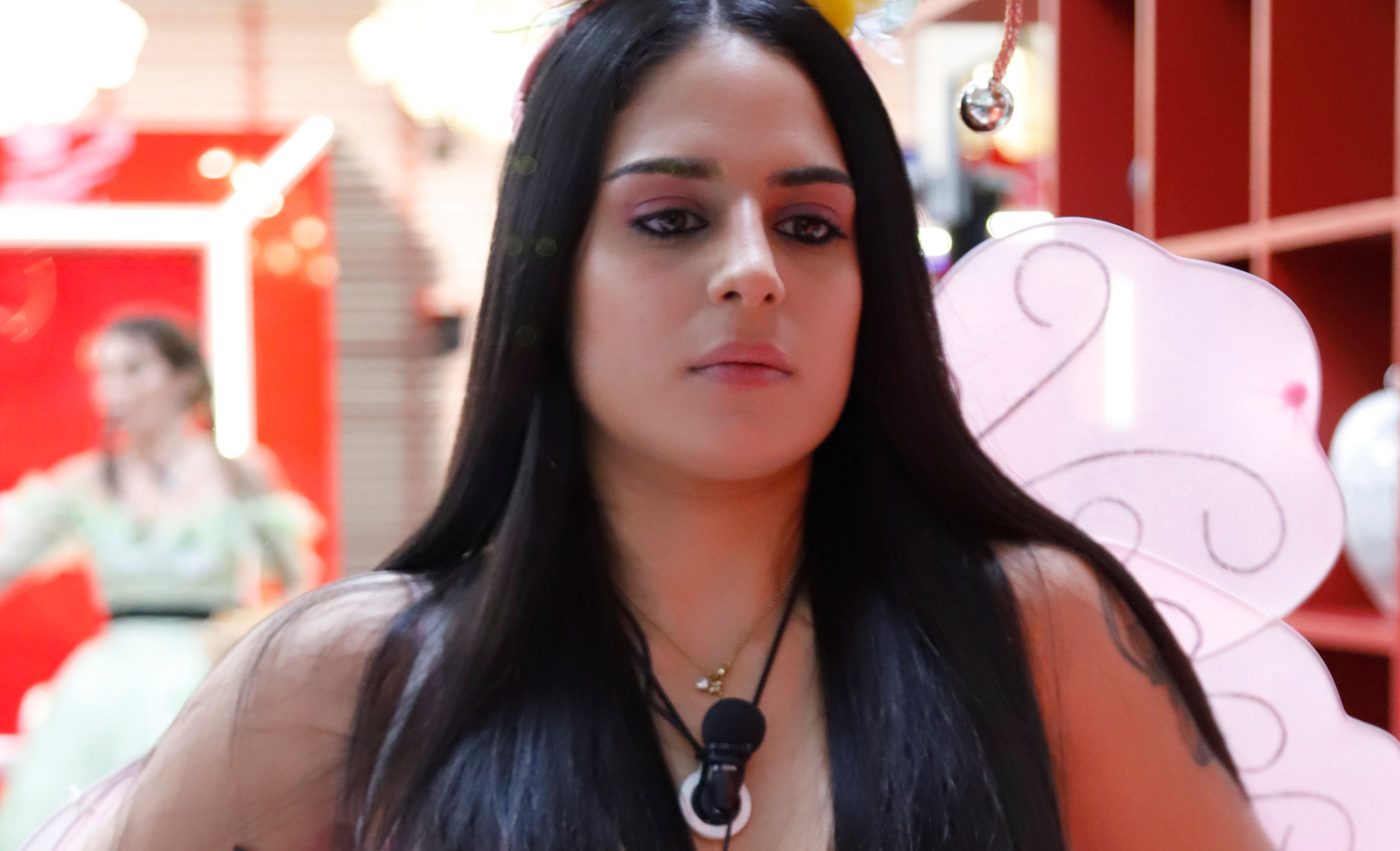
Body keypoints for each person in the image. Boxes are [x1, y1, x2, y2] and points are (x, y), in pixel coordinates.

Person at [30, 2, 1276, 848]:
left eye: (810, 225)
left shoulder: (1036, 630)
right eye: (670, 219)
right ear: (548, 275)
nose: (753, 272)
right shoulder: (349, 677)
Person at [0, 315, 319, 848]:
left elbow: (297, 588)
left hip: (209, 674)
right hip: (105, 684)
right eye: (105, 374)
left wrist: (242, 635)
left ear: (183, 379)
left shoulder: (240, 475)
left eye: (133, 369)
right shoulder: (85, 481)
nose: (115, 389)